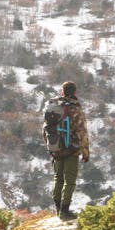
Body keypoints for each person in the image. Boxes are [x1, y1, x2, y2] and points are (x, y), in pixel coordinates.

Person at [44, 80, 89, 221]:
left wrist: (50, 146)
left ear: (62, 92)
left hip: (55, 148)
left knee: (58, 179)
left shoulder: (52, 107)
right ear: (75, 93)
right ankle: (65, 211)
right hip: (71, 149)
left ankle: (58, 209)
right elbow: (82, 133)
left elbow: (45, 129)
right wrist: (85, 152)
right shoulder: (76, 109)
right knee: (69, 181)